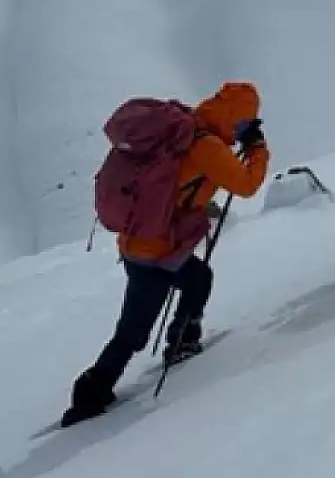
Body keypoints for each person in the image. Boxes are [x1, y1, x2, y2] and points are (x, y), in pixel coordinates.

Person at [63, 81, 270, 426]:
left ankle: (182, 337)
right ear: (236, 120)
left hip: (140, 242)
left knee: (197, 278)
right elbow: (246, 185)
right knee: (135, 329)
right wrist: (258, 148)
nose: (246, 130)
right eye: (246, 123)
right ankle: (91, 390)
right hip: (156, 248)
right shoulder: (207, 147)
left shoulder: (187, 124)